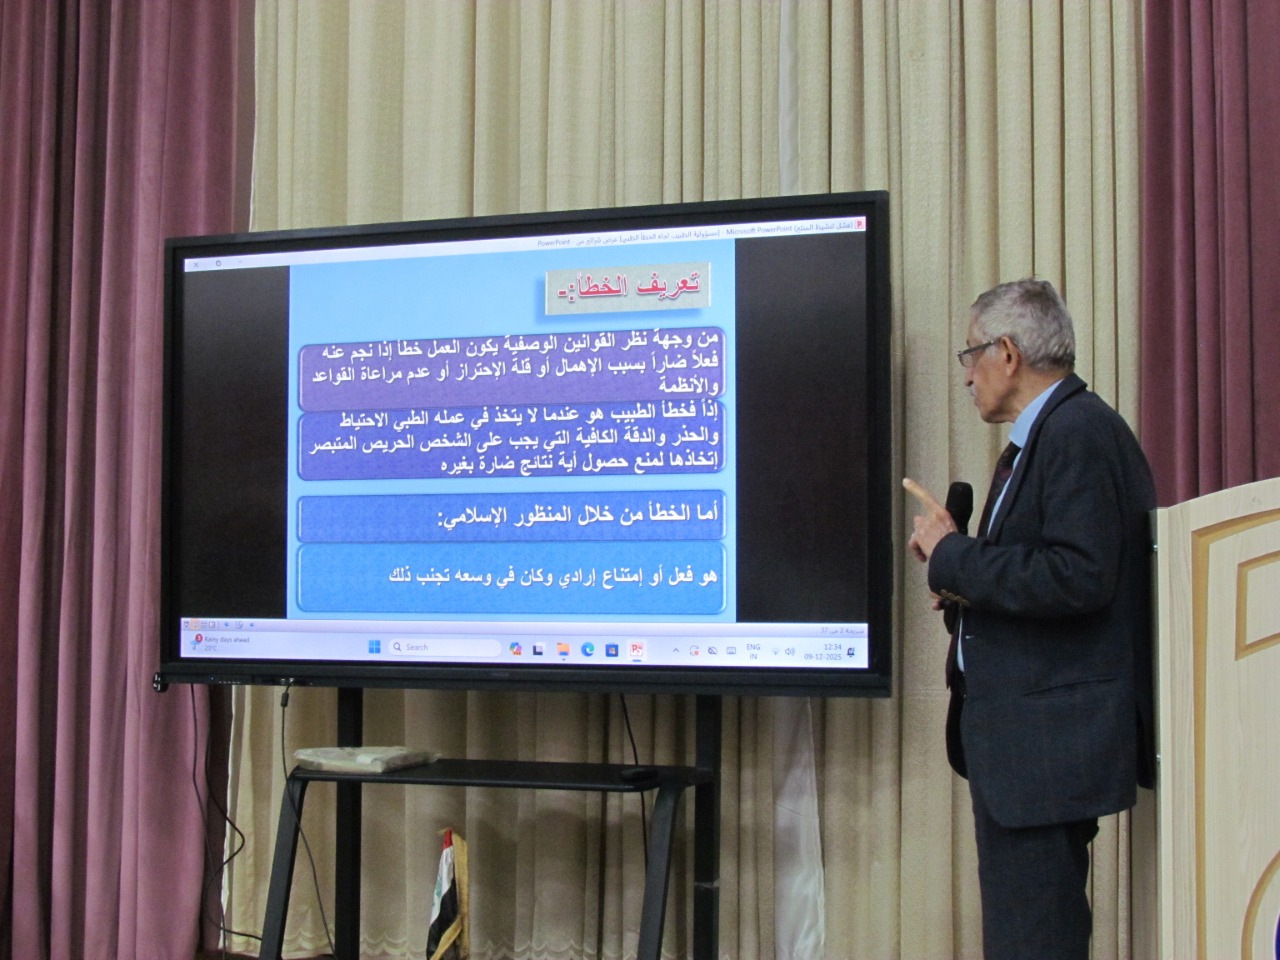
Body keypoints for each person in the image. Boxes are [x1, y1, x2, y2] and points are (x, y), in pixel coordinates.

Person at [904, 278, 1155, 960]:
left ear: (1008, 354)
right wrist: (961, 581)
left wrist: (955, 556)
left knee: (1035, 944)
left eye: (971, 354)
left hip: (1046, 753)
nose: (966, 376)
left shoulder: (1076, 432)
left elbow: (1080, 575)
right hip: (1028, 750)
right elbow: (1041, 574)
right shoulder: (1047, 435)